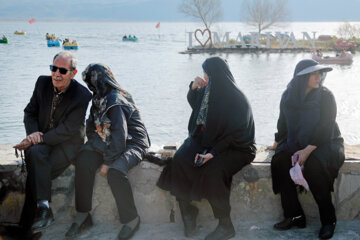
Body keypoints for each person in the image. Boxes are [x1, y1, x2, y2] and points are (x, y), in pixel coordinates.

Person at [156, 57, 256, 240]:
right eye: (204, 74)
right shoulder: (208, 92)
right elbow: (197, 107)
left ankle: (226, 225)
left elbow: (235, 134)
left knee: (212, 171)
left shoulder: (236, 99)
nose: (205, 78)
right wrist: (193, 88)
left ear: (216, 74)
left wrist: (213, 153)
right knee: (179, 160)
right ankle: (187, 211)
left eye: (207, 74)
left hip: (238, 147)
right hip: (208, 139)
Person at [65, 63, 150, 240]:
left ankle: (132, 219)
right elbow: (91, 130)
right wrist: (101, 148)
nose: (90, 85)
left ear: (101, 80)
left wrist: (107, 161)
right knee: (83, 161)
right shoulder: (98, 100)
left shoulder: (115, 100)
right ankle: (83, 215)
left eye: (91, 81)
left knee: (115, 172)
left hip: (132, 142)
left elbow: (120, 136)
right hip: (108, 141)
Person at [13, 51, 92, 237]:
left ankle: (27, 227)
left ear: (73, 72)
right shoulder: (42, 83)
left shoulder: (82, 96)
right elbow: (29, 112)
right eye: (53, 68)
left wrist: (38, 139)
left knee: (36, 168)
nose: (56, 74)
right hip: (42, 143)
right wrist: (33, 134)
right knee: (35, 155)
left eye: (62, 70)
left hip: (67, 145)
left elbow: (69, 129)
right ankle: (42, 210)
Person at [269, 59, 345, 239]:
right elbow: (283, 124)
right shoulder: (287, 96)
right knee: (279, 161)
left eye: (319, 73)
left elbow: (326, 128)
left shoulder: (326, 96)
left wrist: (306, 151)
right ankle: (294, 215)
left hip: (327, 142)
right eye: (313, 73)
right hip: (296, 141)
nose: (319, 77)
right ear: (302, 78)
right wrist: (277, 142)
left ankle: (328, 220)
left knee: (313, 166)